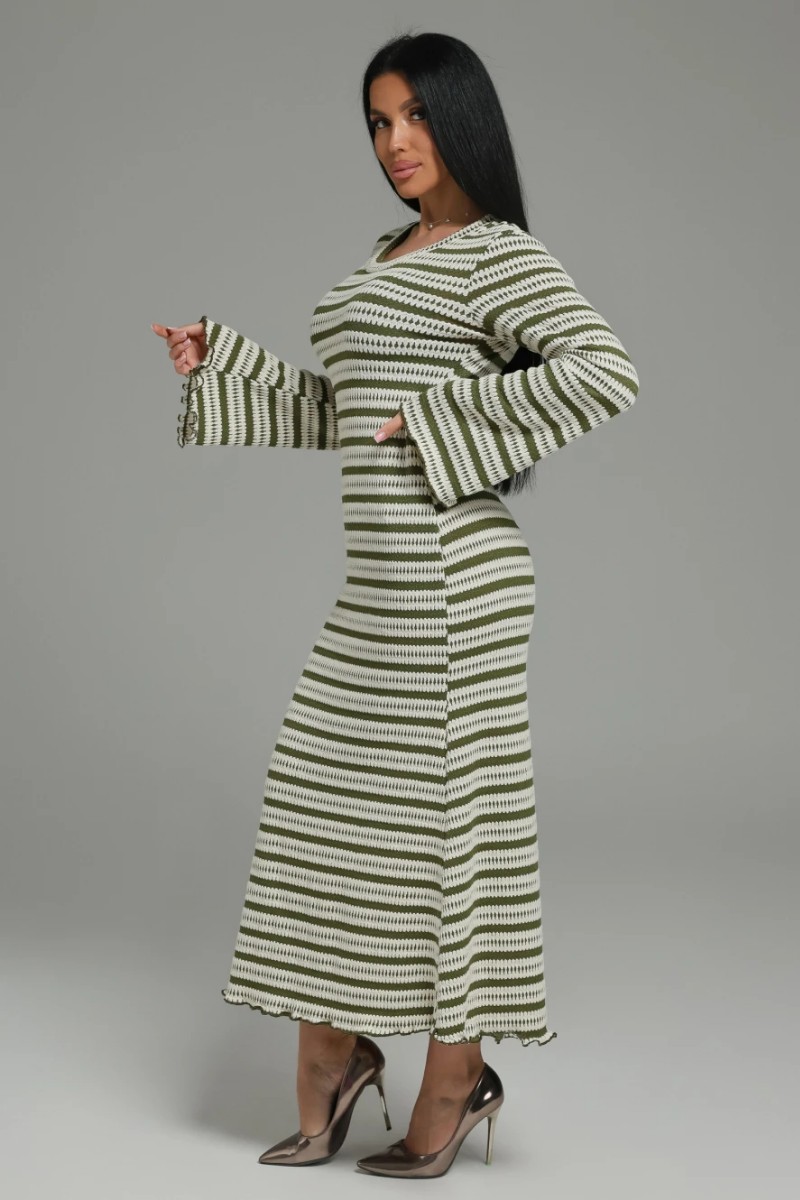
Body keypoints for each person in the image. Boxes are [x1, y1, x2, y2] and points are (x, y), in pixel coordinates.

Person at [152, 30, 639, 1179]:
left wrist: (441, 420)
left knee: (445, 836)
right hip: (378, 588)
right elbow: (346, 415)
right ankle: (338, 1050)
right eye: (377, 122)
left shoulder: (495, 253)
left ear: (460, 118)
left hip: (454, 584)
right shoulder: (388, 254)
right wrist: (222, 365)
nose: (393, 141)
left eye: (414, 115)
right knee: (320, 813)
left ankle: (450, 1077)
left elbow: (603, 369)